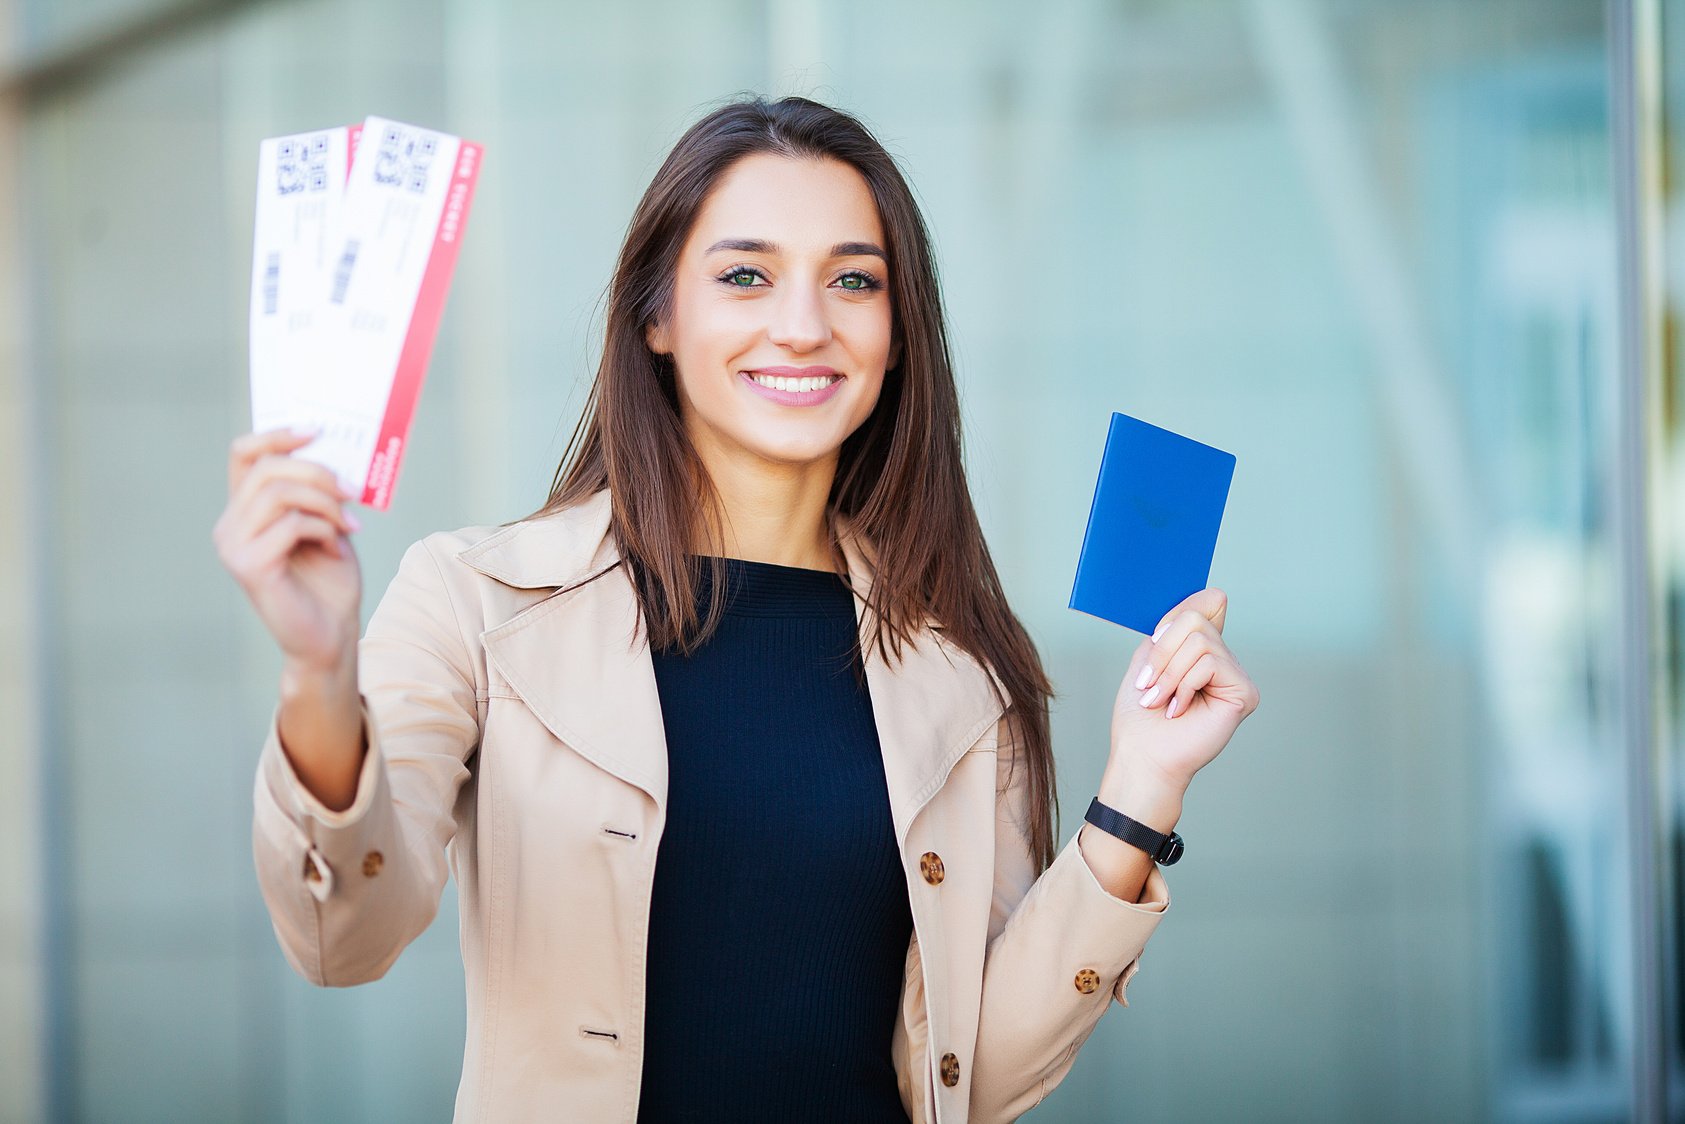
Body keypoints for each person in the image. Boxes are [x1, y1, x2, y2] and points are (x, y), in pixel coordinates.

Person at [214, 96, 1259, 1123]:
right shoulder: (477, 600)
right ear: (658, 316)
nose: (802, 326)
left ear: (896, 336)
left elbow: (967, 1080)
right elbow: (340, 936)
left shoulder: (962, 664)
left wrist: (1141, 786)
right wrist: (317, 673)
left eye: (853, 280)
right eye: (745, 275)